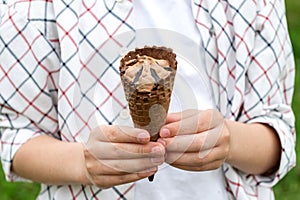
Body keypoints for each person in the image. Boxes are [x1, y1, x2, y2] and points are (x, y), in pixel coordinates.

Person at [0, 0, 296, 199]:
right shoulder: (34, 8)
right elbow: (17, 138)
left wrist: (230, 140)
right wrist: (83, 162)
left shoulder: (253, 6)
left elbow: (276, 135)